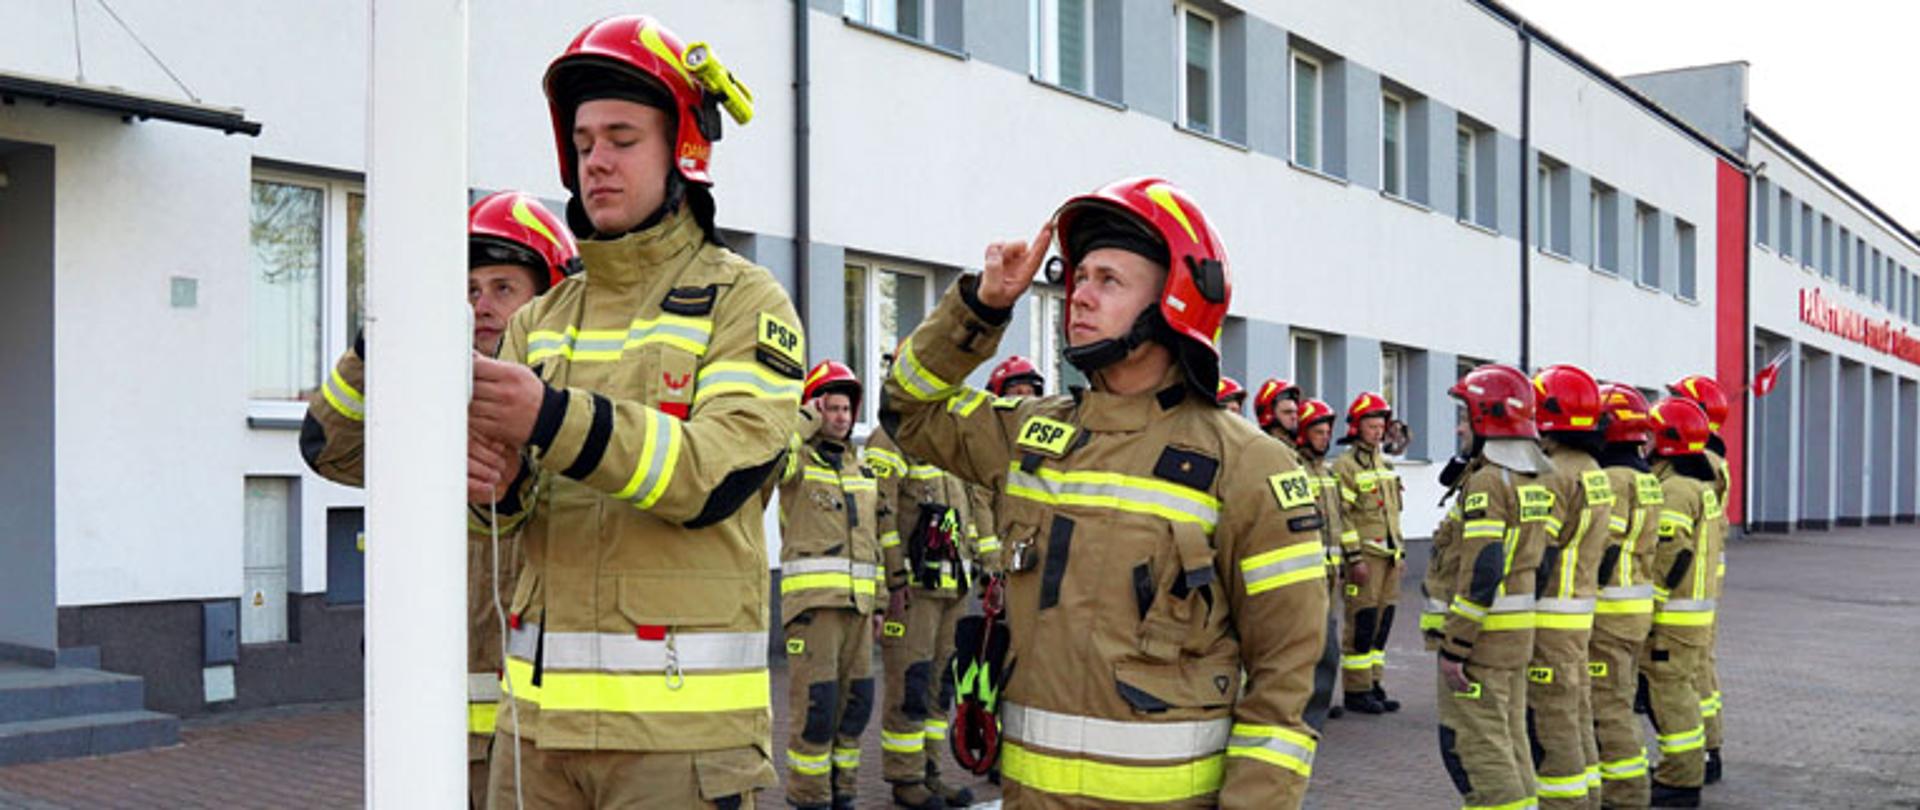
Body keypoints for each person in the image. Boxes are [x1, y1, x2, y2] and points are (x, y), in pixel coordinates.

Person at [879, 177, 1327, 808]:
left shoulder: (1250, 465)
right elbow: (909, 409)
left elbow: (1286, 686)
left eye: (1109, 281)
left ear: (1173, 302)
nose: (1079, 297)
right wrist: (982, 308)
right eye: (1079, 277)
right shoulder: (1032, 434)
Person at [464, 15, 802, 808]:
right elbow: (508, 517)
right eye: (583, 144)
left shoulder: (746, 301)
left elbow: (716, 475)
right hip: (535, 736)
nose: (597, 162)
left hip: (681, 745)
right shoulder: (538, 320)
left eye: (622, 139)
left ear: (682, 150)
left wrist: (549, 420)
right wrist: (495, 488)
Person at [300, 189, 576, 809]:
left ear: (552, 297)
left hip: (536, 739)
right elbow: (328, 447)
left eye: (503, 288)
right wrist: (375, 344)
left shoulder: (570, 414)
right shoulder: (428, 405)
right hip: (428, 731)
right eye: (470, 288)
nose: (482, 305)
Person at [1433, 363, 1555, 810]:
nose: (1459, 428)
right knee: (1510, 741)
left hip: (1482, 643)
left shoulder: (1489, 480)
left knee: (1477, 748)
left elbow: (1483, 570)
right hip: (1514, 637)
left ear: (1489, 419)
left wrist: (1456, 647)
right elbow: (1545, 561)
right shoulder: (1532, 478)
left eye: (1465, 418)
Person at [775, 361, 883, 810]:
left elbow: (873, 541)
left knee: (855, 706)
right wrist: (803, 418)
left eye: (845, 409)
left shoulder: (861, 468)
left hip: (858, 608)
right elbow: (769, 458)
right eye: (831, 408)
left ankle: (845, 793)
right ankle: (810, 797)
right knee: (816, 709)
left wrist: (878, 604)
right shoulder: (797, 460)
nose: (840, 417)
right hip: (814, 609)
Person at [865, 421, 981, 809]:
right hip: (914, 589)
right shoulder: (891, 437)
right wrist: (893, 579)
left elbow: (970, 506)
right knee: (909, 684)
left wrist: (981, 565)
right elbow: (881, 512)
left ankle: (932, 772)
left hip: (953, 586)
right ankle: (906, 777)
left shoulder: (946, 436)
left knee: (939, 687)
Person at [1527, 364, 1614, 809]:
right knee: (1577, 709)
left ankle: (1562, 803)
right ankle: (1588, 796)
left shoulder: (1554, 474)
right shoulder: (1593, 469)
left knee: (1551, 716)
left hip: (1550, 613)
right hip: (1578, 610)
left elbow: (1538, 553)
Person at [1642, 398, 1722, 808]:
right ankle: (1685, 772)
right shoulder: (1699, 486)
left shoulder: (1673, 490)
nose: (1644, 441)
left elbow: (1671, 554)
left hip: (1672, 617)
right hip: (1692, 612)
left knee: (1671, 698)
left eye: (1650, 434)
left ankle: (1679, 780)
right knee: (1682, 693)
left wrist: (1650, 608)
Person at [1590, 383, 1663, 807]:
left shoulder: (1614, 480)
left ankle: (1624, 794)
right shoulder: (1646, 477)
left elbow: (1606, 545)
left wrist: (1587, 589)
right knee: (1618, 697)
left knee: (1608, 705)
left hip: (1609, 609)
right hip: (1634, 607)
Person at [1664, 374, 1730, 786]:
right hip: (1702, 585)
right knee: (1700, 669)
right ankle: (1708, 748)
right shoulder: (1712, 461)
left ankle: (1704, 752)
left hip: (1688, 587)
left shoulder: (1700, 464)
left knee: (1691, 675)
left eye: (1677, 400)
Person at [1332, 392, 1405, 714]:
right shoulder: (1345, 467)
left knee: (1382, 624)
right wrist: (1354, 558)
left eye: (1380, 426)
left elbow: (1393, 513)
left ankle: (1374, 684)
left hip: (1389, 557)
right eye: (1371, 426)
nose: (1377, 432)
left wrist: (1400, 554)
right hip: (1365, 558)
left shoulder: (1385, 464)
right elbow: (1342, 516)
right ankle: (1356, 690)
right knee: (1361, 623)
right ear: (1357, 428)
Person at [1295, 397, 1349, 726]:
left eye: (1328, 433)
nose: (1325, 438)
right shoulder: (1294, 468)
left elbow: (1341, 520)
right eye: (1318, 432)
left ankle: (1320, 701)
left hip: (1330, 571)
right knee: (1310, 641)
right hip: (1307, 571)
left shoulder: (1328, 472)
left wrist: (1348, 561)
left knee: (1327, 641)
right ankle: (1306, 706)